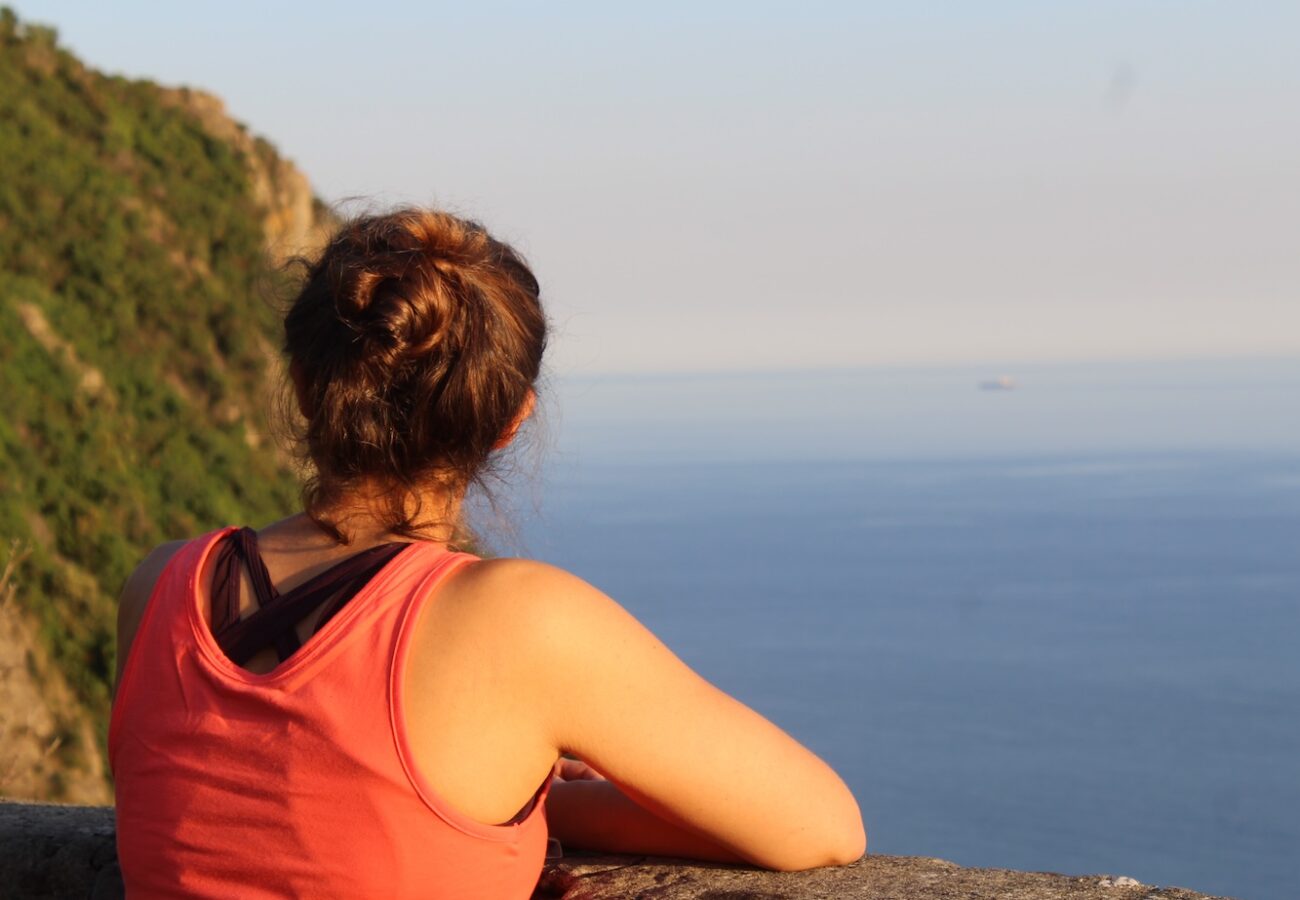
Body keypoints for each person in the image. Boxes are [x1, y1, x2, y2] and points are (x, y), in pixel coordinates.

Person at [110, 208, 865, 898]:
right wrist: (542, 798)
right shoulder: (519, 622)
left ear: (306, 389)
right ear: (510, 420)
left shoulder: (161, 588)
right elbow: (824, 827)